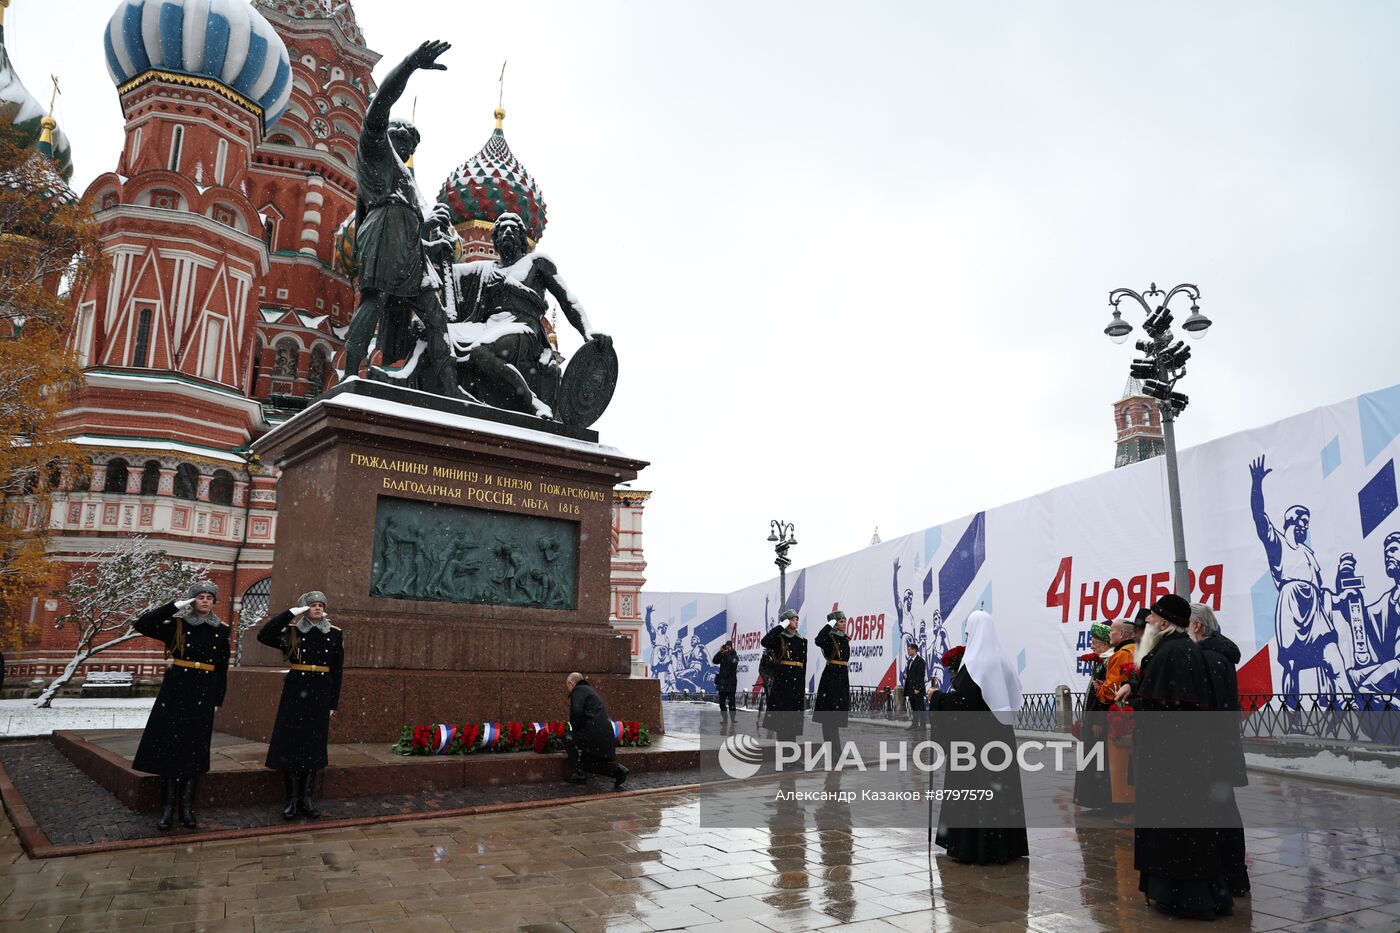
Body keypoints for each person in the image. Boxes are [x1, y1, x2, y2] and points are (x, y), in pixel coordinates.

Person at [342, 39, 458, 395]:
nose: (406, 145)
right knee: (374, 300)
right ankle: (350, 372)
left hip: (409, 247)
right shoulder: (376, 149)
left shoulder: (406, 178)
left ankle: (450, 389)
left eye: (411, 142)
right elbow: (380, 105)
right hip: (384, 233)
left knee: (436, 316)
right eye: (401, 137)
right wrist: (410, 64)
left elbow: (414, 225)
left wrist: (431, 246)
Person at [1122, 593, 1232, 920]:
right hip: (1186, 760)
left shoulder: (1170, 653)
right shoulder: (1184, 650)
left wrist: (1134, 703)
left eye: (1154, 617)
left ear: (1166, 622)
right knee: (1191, 831)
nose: (1149, 622)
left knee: (1175, 833)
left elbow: (1161, 708)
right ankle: (1196, 893)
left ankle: (1181, 896)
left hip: (1170, 763)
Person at [926, 610, 1029, 865]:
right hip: (1000, 740)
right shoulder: (1002, 661)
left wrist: (935, 697)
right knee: (999, 794)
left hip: (975, 743)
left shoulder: (974, 664)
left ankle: (976, 848)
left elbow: (962, 705)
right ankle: (1004, 846)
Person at [130, 581, 230, 831]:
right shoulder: (177, 624)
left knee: (194, 749)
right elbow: (142, 624)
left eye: (209, 597)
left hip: (204, 691)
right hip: (176, 690)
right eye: (200, 597)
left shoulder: (222, 629)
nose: (205, 600)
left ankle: (186, 807)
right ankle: (167, 808)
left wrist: (218, 698)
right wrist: (174, 606)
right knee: (170, 747)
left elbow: (222, 667)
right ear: (192, 601)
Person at [257, 591, 344, 821]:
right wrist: (290, 614)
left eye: (320, 605)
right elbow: (264, 635)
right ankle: (292, 799)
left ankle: (307, 798)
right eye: (312, 605)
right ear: (304, 609)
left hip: (320, 694)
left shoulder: (334, 634)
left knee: (312, 747)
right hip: (296, 693)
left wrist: (332, 702)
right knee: (291, 745)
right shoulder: (293, 632)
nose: (317, 608)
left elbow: (337, 671)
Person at [1190, 602, 1250, 898]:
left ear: (1197, 626)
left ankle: (1228, 876)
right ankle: (1234, 875)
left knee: (1219, 813)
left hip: (1211, 750)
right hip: (1221, 748)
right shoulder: (1220, 656)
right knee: (1225, 811)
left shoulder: (1207, 659)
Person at [1098, 620, 1138, 823]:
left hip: (1120, 716)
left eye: (1112, 631)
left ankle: (1124, 810)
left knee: (1120, 766)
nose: (1109, 635)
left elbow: (1110, 691)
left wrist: (1099, 688)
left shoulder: (1121, 655)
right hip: (1135, 714)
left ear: (1122, 633)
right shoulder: (1137, 649)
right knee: (1132, 764)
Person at [1073, 622, 1113, 811]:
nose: (1092, 645)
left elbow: (1105, 695)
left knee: (1097, 760)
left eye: (1096, 642)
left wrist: (1098, 719)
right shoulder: (1102, 661)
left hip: (1098, 722)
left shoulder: (1109, 662)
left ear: (1106, 643)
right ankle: (1088, 797)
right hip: (1090, 720)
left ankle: (1098, 798)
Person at [565, 672, 628, 789]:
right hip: (605, 735)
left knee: (569, 738)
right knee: (587, 763)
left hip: (592, 734)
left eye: (567, 687)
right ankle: (618, 771)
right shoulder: (589, 691)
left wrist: (575, 730)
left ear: (571, 683)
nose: (568, 690)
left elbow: (576, 712)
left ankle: (579, 774)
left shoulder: (578, 690)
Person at [760, 610, 807, 742]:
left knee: (793, 721)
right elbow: (765, 641)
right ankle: (785, 757)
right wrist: (781, 626)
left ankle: (792, 756)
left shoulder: (802, 641)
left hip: (796, 683)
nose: (796, 621)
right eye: (792, 619)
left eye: (797, 619)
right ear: (786, 621)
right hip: (783, 682)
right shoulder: (779, 638)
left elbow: (804, 664)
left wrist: (801, 685)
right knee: (782, 721)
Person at [813, 611, 852, 752]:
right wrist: (829, 624)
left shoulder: (844, 638)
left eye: (844, 621)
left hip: (841, 677)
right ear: (834, 623)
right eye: (841, 621)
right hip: (831, 678)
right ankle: (831, 751)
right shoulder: (829, 637)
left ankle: (838, 751)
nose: (844, 624)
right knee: (828, 717)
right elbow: (818, 640)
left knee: (836, 718)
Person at [903, 640, 927, 730]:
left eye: (909, 649)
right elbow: (911, 673)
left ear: (914, 650)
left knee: (920, 707)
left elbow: (920, 676)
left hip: (917, 689)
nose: (908, 651)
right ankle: (915, 723)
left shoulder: (920, 661)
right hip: (910, 688)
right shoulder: (910, 661)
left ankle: (923, 725)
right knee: (914, 707)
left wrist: (918, 688)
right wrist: (906, 675)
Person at [712, 641, 739, 723]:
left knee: (732, 702)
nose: (727, 648)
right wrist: (720, 652)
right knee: (721, 702)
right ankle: (724, 719)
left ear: (731, 647)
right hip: (722, 683)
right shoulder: (723, 655)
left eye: (728, 647)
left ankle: (733, 719)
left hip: (731, 683)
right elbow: (715, 660)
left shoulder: (734, 655)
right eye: (726, 647)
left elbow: (732, 663)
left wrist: (727, 653)